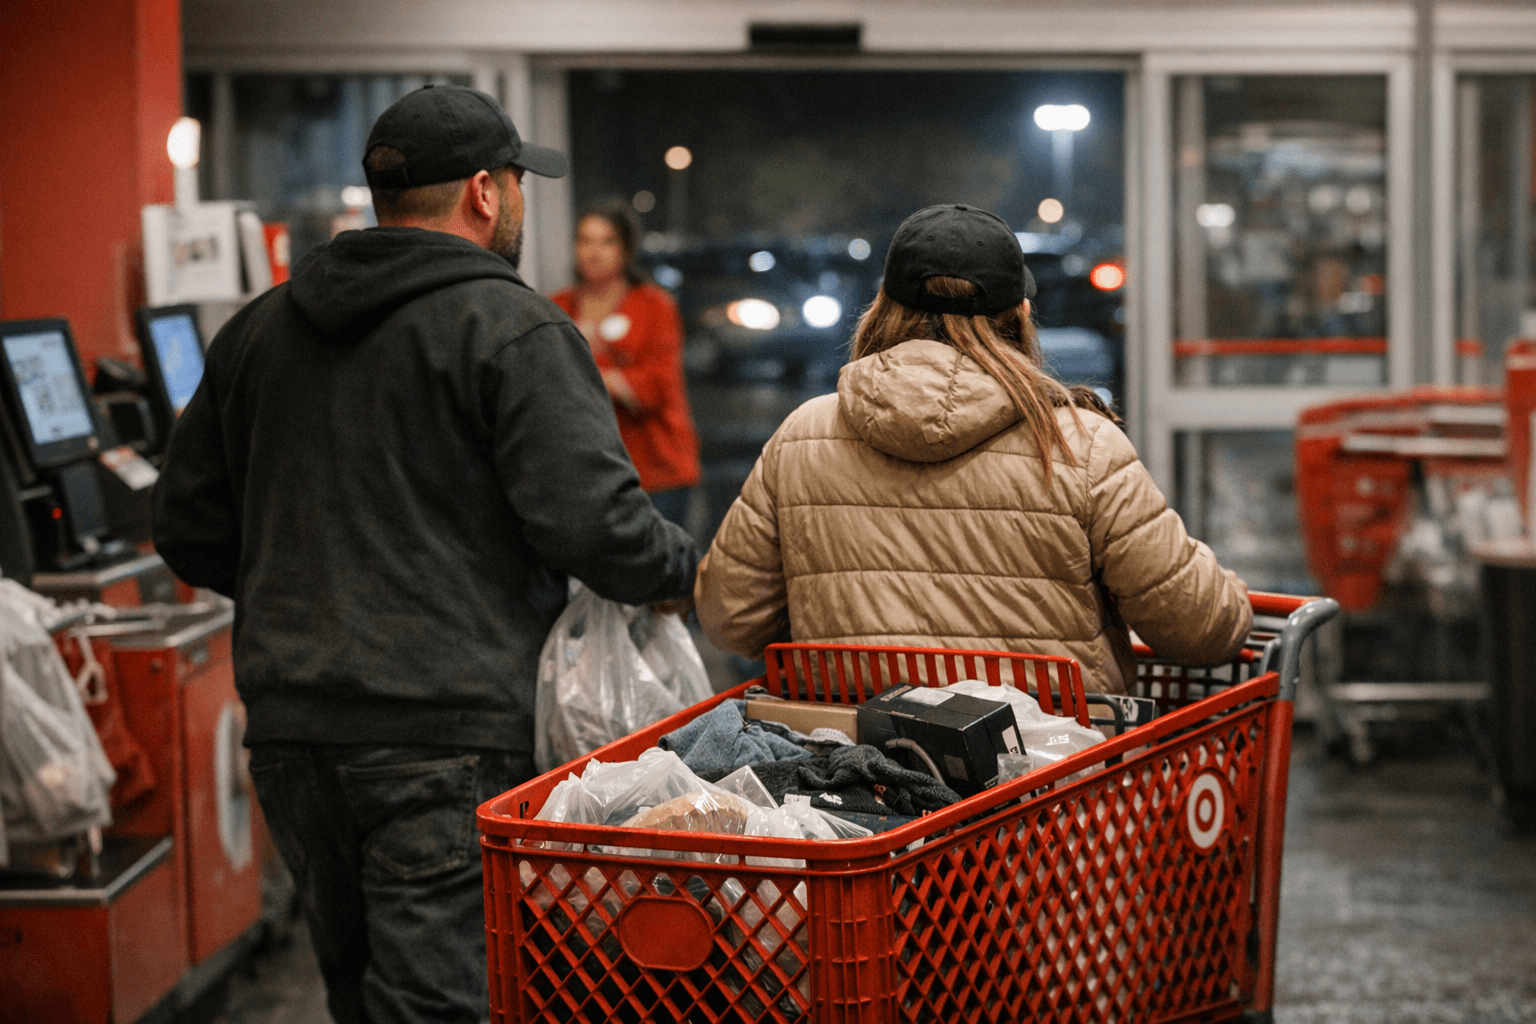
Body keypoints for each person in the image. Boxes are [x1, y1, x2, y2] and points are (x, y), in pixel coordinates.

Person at [151, 85, 697, 1024]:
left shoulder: (259, 330)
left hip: (292, 729)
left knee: (356, 995)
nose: (519, 201)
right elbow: (594, 526)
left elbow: (187, 526)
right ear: (485, 192)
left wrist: (300, 581)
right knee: (439, 1005)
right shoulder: (514, 328)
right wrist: (684, 570)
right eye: (516, 182)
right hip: (447, 734)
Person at [694, 204, 1250, 693]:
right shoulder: (1078, 447)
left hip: (851, 764)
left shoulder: (802, 437)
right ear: (1020, 315)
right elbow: (1200, 630)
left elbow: (731, 618)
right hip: (1053, 771)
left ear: (883, 306)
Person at [551, 198, 700, 528]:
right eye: (585, 240)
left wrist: (588, 369)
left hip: (657, 469)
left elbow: (657, 387)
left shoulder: (654, 305)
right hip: (587, 473)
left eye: (607, 241)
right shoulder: (556, 307)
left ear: (626, 249)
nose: (594, 252)